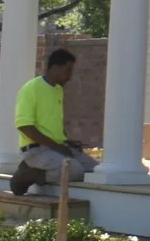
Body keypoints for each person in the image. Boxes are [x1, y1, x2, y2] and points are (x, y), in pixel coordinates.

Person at [9, 47, 97, 195]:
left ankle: (41, 170)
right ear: (55, 67)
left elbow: (52, 123)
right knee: (75, 171)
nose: (70, 76)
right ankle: (29, 174)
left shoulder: (58, 90)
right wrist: (56, 146)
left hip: (56, 147)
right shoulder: (31, 88)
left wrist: (66, 141)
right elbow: (25, 127)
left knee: (95, 171)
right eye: (68, 70)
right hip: (35, 150)